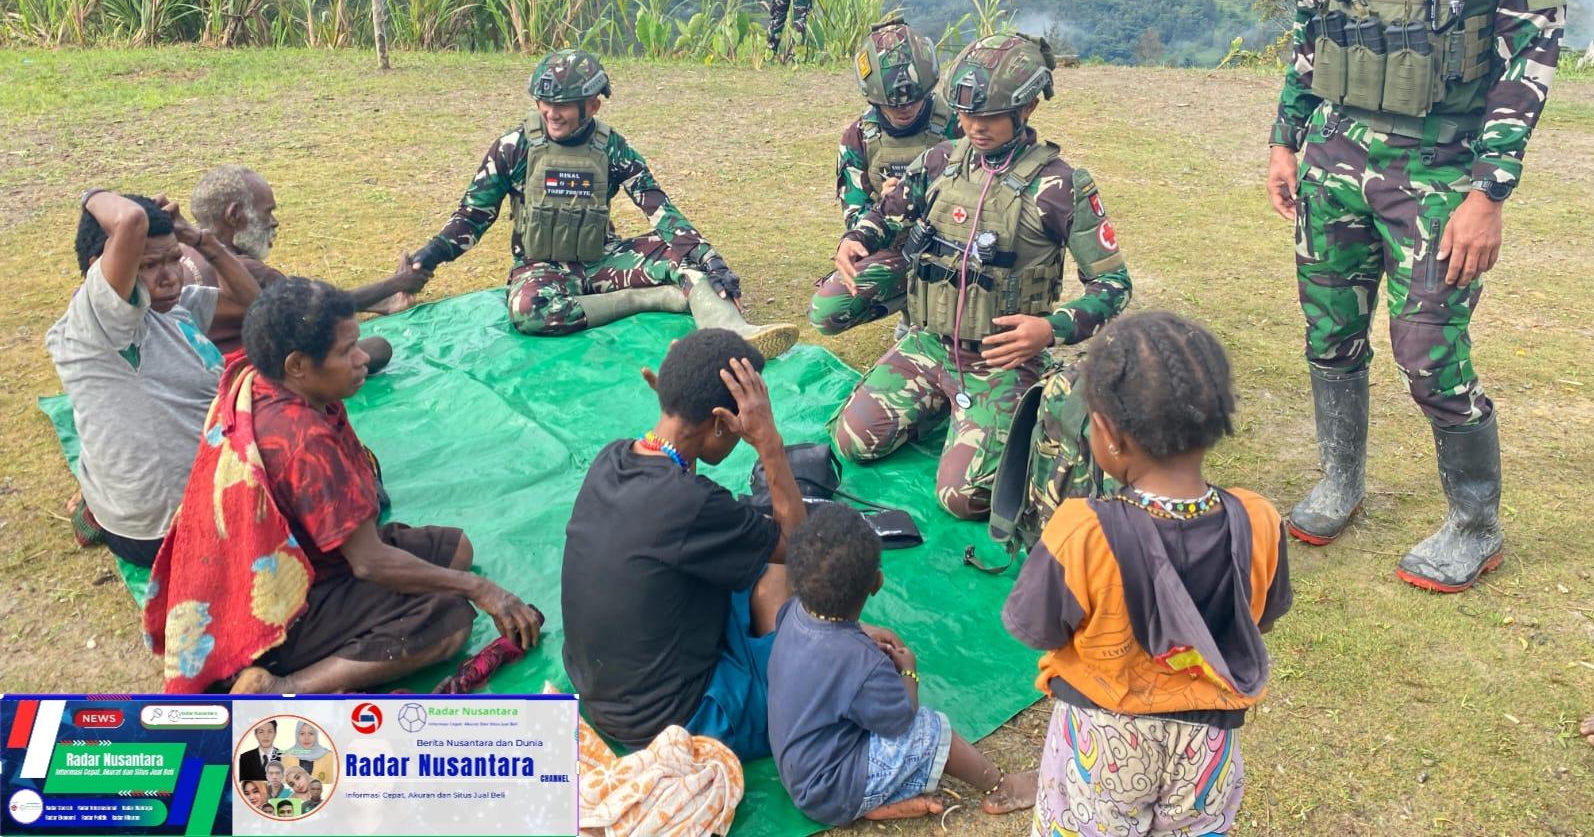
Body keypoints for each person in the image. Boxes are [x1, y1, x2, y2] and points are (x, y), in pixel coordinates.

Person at [1265, 0, 1567, 592]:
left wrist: (1489, 191)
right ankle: (1341, 478)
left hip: (1438, 177)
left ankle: (1475, 521)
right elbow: (1310, 34)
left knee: (1429, 351)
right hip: (1334, 160)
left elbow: (1529, 60)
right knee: (1329, 335)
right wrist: (1286, 140)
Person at [1003, 312, 1292, 836]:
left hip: (1103, 742)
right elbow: (1261, 619)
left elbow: (1038, 629)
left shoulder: (1082, 531)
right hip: (1210, 746)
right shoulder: (1259, 519)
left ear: (1109, 434)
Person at [833, 33, 1133, 519]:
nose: (974, 126)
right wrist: (858, 238)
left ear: (1028, 106)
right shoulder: (939, 161)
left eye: (989, 115)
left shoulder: (1060, 186)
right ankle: (948, 412)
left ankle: (1044, 413)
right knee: (852, 442)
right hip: (929, 345)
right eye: (966, 114)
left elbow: (1114, 286)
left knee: (963, 498)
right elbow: (887, 213)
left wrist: (1050, 330)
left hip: (1000, 361)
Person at [226, 279, 543, 693]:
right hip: (288, 599)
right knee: (450, 618)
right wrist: (479, 588)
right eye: (346, 352)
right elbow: (369, 563)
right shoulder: (302, 442)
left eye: (356, 344)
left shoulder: (263, 379)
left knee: (457, 548)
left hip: (316, 557)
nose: (361, 360)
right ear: (297, 365)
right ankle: (286, 685)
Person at [407, 49, 797, 358]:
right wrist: (433, 253)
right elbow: (474, 214)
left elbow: (658, 208)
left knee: (688, 262)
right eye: (543, 103)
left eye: (562, 104)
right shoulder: (516, 146)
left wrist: (710, 259)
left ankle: (736, 332)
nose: (550, 112)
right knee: (528, 310)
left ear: (592, 105)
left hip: (603, 259)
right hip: (541, 267)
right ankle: (652, 298)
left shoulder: (611, 147)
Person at [561, 329, 807, 761]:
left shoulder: (611, 458)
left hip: (600, 699)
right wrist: (768, 441)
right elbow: (796, 543)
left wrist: (680, 397)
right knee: (778, 576)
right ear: (718, 422)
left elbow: (673, 497)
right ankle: (784, 693)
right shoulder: (694, 504)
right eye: (733, 428)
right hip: (676, 723)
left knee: (751, 568)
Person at [768, 503, 1036, 825]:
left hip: (795, 773)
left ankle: (877, 804)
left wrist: (863, 632)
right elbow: (901, 721)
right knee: (931, 730)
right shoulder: (863, 663)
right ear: (877, 583)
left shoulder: (793, 612)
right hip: (831, 794)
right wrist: (909, 670)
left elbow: (832, 651)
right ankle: (1000, 786)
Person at [46, 190, 261, 565]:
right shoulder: (99, 323)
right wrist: (90, 196)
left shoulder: (171, 309)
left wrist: (201, 241)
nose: (169, 278)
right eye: (148, 265)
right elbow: (130, 221)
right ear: (102, 267)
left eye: (174, 259)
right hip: (166, 531)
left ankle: (96, 503)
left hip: (198, 489)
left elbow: (252, 304)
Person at [189, 165, 430, 368]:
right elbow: (318, 309)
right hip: (245, 373)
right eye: (268, 212)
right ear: (234, 215)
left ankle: (383, 305)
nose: (274, 222)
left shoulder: (180, 251)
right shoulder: (251, 273)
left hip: (201, 365)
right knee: (377, 347)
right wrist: (398, 283)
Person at [808, 19, 959, 338]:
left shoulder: (958, 124)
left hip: (959, 246)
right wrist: (889, 206)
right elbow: (856, 217)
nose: (904, 109)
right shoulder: (859, 138)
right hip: (899, 249)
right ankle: (911, 309)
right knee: (828, 311)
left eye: (912, 100)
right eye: (893, 104)